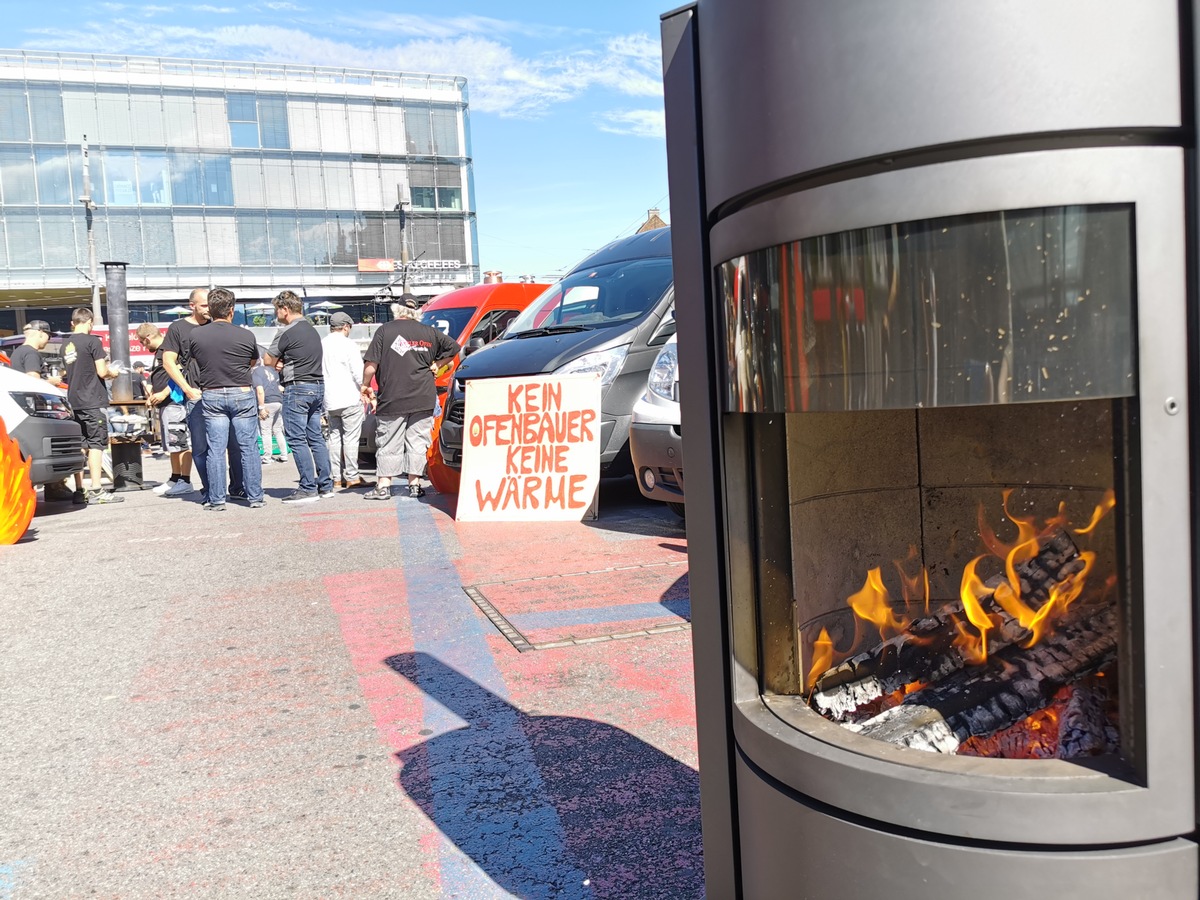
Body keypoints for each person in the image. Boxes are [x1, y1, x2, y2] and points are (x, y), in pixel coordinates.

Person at [362, 294, 460, 499]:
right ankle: (414, 485)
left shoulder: (385, 331)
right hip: (423, 396)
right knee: (417, 441)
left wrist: (364, 385)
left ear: (396, 309)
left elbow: (371, 365)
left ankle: (383, 486)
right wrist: (438, 364)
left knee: (388, 440)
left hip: (393, 397)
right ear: (416, 311)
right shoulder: (429, 332)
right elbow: (454, 348)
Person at [187, 287, 264, 511]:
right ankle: (255, 497)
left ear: (210, 309)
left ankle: (217, 499)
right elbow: (251, 363)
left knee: (216, 449)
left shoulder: (196, 335)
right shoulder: (246, 335)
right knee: (248, 447)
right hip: (241, 391)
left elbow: (197, 361)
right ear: (232, 310)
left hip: (211, 392)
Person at [263, 290, 334, 503]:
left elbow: (267, 360)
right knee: (315, 437)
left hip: (298, 388)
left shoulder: (286, 331)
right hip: (317, 386)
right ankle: (325, 485)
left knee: (297, 437)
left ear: (285, 309)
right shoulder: (312, 331)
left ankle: (307, 488)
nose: (276, 313)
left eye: (277, 309)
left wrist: (278, 363)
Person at [62, 307, 123, 504]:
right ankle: (96, 489)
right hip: (91, 400)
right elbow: (102, 371)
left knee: (80, 445)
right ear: (90, 322)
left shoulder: (66, 344)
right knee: (96, 444)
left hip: (74, 400)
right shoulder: (93, 341)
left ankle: (79, 490)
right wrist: (113, 373)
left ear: (73, 322)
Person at [161, 288, 211, 502]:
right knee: (198, 445)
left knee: (224, 445)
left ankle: (229, 486)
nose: (209, 309)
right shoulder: (178, 327)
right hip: (192, 395)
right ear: (192, 306)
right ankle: (206, 486)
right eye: (204, 305)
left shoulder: (216, 324)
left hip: (217, 391)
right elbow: (168, 361)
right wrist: (187, 388)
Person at [136, 322, 194, 497]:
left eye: (142, 342)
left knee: (180, 442)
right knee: (172, 443)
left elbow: (179, 373)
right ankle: (176, 478)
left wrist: (163, 393)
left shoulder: (167, 352)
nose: (142, 346)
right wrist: (155, 393)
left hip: (174, 401)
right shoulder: (160, 353)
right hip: (166, 403)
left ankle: (185, 480)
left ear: (148, 338)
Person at [322, 311, 367, 489]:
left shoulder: (322, 344)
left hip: (330, 399)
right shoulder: (349, 345)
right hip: (349, 397)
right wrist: (366, 388)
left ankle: (336, 477)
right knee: (350, 439)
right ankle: (352, 477)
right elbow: (358, 372)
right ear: (346, 327)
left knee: (334, 438)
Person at [252, 353, 288, 464]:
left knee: (266, 431)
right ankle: (284, 454)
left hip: (267, 402)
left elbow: (260, 390)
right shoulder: (273, 371)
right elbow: (279, 387)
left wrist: (261, 407)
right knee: (277, 429)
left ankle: (267, 457)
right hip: (278, 402)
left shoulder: (256, 372)